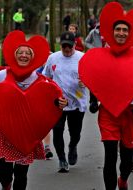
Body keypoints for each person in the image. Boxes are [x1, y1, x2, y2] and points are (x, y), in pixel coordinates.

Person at [0, 31, 67, 190]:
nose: (24, 55)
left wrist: (62, 103)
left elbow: (54, 99)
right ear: (14, 56)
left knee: (21, 173)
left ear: (32, 58)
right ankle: (6, 186)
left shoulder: (39, 80)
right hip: (5, 130)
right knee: (4, 174)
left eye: (28, 53)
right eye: (20, 52)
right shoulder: (2, 75)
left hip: (27, 132)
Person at [80, 3, 133, 189]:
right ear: (111, 32)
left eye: (124, 30)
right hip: (109, 112)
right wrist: (92, 100)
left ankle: (123, 179)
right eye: (118, 29)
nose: (121, 33)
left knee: (127, 159)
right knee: (110, 156)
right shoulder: (101, 55)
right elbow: (94, 78)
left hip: (132, 113)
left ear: (130, 34)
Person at [42, 31, 87, 173]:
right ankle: (62, 159)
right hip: (57, 102)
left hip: (77, 101)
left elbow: (94, 79)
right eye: (64, 46)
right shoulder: (53, 58)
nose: (67, 49)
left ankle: (72, 146)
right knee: (58, 130)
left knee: (75, 133)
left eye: (69, 46)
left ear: (75, 44)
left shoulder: (83, 58)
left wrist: (86, 81)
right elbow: (45, 78)